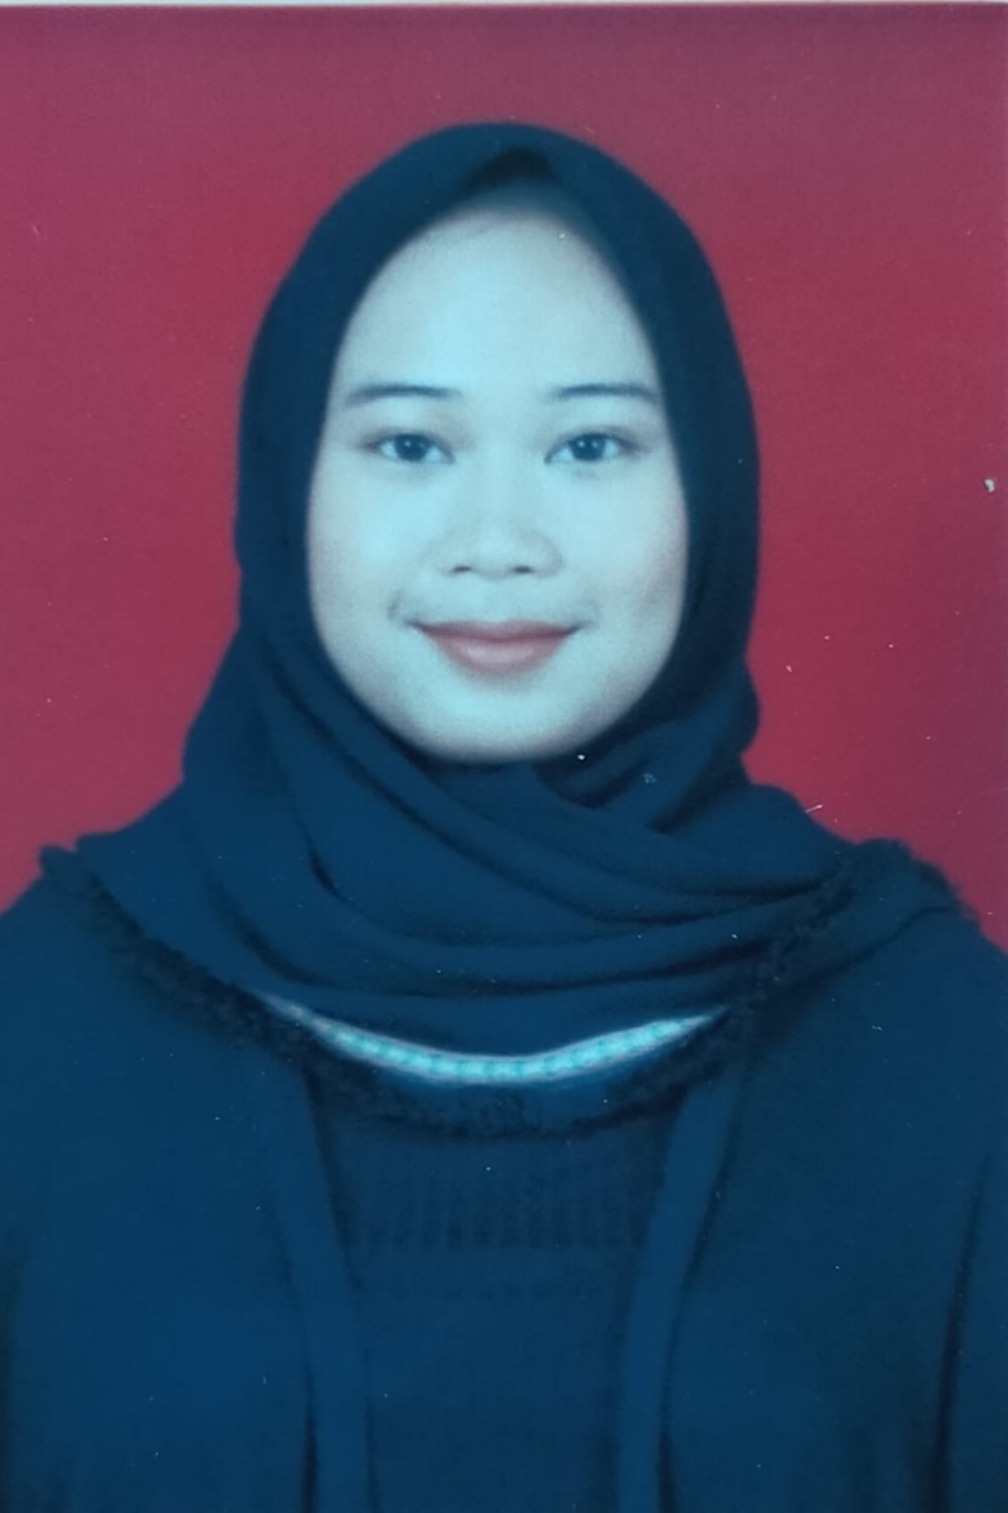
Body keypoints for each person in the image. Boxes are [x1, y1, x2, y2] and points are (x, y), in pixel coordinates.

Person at [0, 122, 1005, 1513]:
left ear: (711, 488)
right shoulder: (45, 1013)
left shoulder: (936, 1037)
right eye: (410, 444)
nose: (497, 541)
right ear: (288, 486)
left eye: (591, 444)